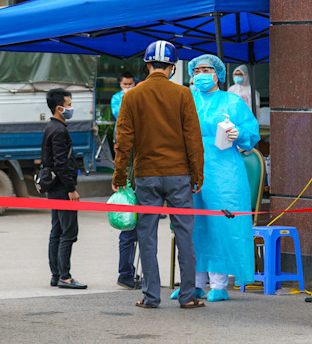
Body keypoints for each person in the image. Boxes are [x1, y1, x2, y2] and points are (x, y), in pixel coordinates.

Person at [113, 40, 206, 309]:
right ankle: (187, 296)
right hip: (179, 175)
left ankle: (151, 297)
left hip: (146, 175)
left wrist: (119, 176)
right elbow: (193, 138)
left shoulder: (131, 96)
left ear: (147, 65)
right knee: (184, 235)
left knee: (147, 236)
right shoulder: (183, 94)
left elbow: (123, 141)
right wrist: (197, 174)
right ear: (172, 68)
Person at [180, 54, 259, 302]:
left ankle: (219, 284)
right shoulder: (186, 99)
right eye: (197, 71)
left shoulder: (232, 101)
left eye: (207, 70)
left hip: (224, 171)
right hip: (190, 166)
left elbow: (251, 133)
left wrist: (239, 133)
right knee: (191, 224)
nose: (201, 75)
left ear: (218, 74)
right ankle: (193, 283)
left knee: (221, 224)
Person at [42, 88, 86, 289]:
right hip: (62, 189)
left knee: (57, 231)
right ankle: (65, 277)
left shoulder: (50, 127)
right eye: (68, 105)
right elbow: (61, 163)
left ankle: (56, 275)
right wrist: (71, 189)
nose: (71, 108)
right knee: (68, 233)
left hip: (54, 189)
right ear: (59, 108)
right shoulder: (59, 130)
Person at [111, 72, 139, 290]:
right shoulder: (127, 127)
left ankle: (128, 272)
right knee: (130, 230)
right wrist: (120, 178)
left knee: (133, 231)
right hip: (134, 183)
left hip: (134, 180)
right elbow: (122, 155)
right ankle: (126, 273)